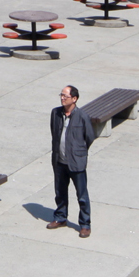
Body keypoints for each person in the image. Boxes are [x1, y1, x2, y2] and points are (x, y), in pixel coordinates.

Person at [48, 85, 95, 237]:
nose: (62, 98)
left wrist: (78, 152)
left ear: (74, 99)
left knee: (82, 195)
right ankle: (60, 217)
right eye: (61, 95)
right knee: (60, 192)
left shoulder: (82, 116)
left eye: (65, 96)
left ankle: (85, 224)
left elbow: (89, 137)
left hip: (76, 162)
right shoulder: (55, 113)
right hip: (59, 161)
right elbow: (54, 133)